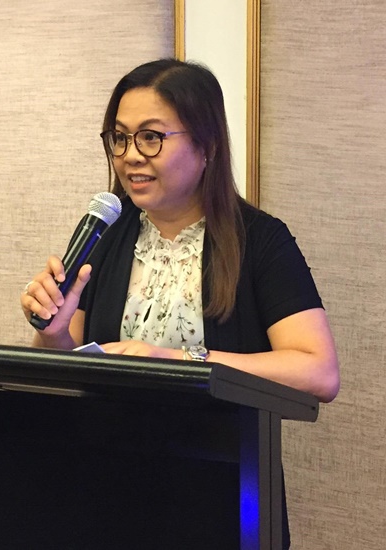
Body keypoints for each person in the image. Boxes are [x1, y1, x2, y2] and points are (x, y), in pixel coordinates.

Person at [20, 58, 339, 549]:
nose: (130, 156)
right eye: (120, 138)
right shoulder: (106, 232)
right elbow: (69, 366)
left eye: (151, 137)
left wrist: (176, 361)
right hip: (104, 484)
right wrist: (54, 333)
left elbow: (318, 372)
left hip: (221, 491)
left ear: (206, 144)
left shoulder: (260, 240)